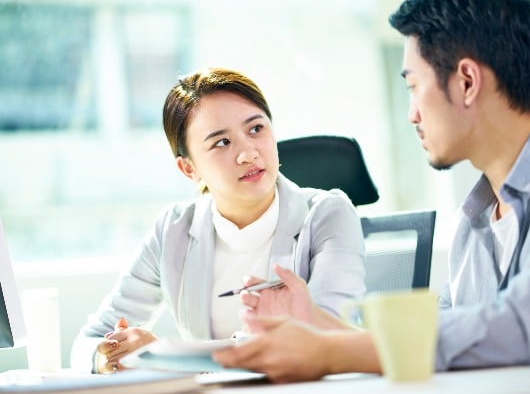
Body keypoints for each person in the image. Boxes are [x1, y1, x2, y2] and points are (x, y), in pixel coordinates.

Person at [213, 0, 530, 383]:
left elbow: (520, 327)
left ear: (467, 81)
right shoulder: (477, 216)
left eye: (414, 87)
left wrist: (330, 352)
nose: (412, 113)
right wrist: (318, 325)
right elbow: (434, 344)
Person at [70, 67, 366, 374]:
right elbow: (87, 341)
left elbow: (330, 336)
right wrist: (107, 355)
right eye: (222, 143)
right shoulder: (173, 231)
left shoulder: (328, 214)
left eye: (256, 129)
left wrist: (165, 356)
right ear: (189, 169)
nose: (248, 153)